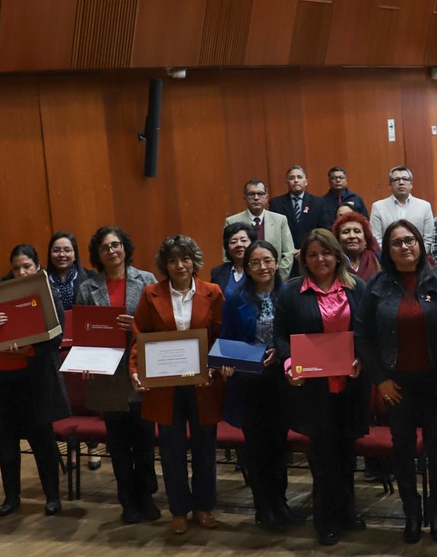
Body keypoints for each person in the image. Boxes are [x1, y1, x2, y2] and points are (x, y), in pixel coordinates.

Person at [357, 220, 437, 544]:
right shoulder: (376, 287)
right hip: (395, 385)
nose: (404, 247)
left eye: (409, 240)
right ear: (388, 249)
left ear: (420, 243)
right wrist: (380, 380)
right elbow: (363, 337)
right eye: (397, 242)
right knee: (402, 451)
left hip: (436, 382)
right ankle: (412, 514)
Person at [275, 231, 368, 544]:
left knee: (346, 451)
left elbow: (368, 333)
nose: (320, 260)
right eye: (313, 254)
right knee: (323, 455)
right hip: (313, 389)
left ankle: (348, 513)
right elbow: (280, 338)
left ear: (337, 254)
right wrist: (289, 365)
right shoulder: (290, 293)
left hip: (350, 384)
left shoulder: (358, 288)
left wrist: (361, 359)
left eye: (326, 253)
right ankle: (326, 519)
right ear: (304, 258)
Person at [132, 235, 226, 536]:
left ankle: (203, 506)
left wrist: (217, 364)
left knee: (204, 447)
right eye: (172, 260)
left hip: (203, 383)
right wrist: (136, 371)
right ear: (165, 265)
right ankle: (178, 509)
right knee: (171, 449)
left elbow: (220, 335)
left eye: (185, 259)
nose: (180, 265)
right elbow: (140, 335)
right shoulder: (150, 294)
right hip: (165, 385)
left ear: (194, 261)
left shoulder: (213, 292)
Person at [74, 226, 160, 522]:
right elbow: (83, 332)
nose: (112, 251)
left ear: (125, 247)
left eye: (116, 245)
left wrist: (133, 325)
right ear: (97, 255)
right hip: (105, 373)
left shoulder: (147, 280)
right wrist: (84, 360)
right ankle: (127, 501)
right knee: (119, 442)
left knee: (144, 439)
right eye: (105, 247)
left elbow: (158, 325)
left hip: (140, 369)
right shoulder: (87, 287)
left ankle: (147, 495)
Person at [219, 239, 292, 531]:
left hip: (283, 381)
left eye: (267, 260)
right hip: (249, 384)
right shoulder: (235, 299)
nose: (262, 267)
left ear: (276, 262)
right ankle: (264, 507)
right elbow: (228, 341)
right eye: (255, 262)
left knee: (279, 446)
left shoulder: (289, 294)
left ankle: (281, 502)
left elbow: (298, 334)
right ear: (247, 268)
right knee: (257, 449)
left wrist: (280, 350)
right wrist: (226, 361)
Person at [227, 179, 296, 269]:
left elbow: (288, 253)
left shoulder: (280, 220)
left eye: (260, 194)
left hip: (273, 277)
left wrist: (278, 278)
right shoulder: (232, 221)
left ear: (266, 198)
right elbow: (227, 256)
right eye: (251, 194)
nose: (256, 198)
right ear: (245, 198)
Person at [369, 166, 434, 244]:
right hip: (388, 254)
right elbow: (376, 239)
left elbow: (429, 239)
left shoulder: (424, 206)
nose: (401, 183)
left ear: (411, 184)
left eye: (405, 179)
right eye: (396, 180)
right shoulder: (378, 207)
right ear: (390, 185)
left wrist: (418, 254)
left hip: (418, 254)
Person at [43, 232, 93, 322]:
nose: (61, 255)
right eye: (56, 250)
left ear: (75, 255)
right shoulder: (42, 282)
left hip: (83, 329)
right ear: (50, 255)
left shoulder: (90, 277)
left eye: (67, 250)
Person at [278, 165, 331, 240]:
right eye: (292, 178)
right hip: (287, 250)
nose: (296, 180)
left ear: (306, 182)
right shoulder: (276, 204)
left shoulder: (319, 203)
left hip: (311, 248)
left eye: (299, 177)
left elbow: (325, 230)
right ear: (287, 182)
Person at [333, 208, 381, 282]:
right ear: (338, 239)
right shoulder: (333, 263)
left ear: (366, 239)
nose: (352, 236)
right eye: (346, 232)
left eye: (357, 231)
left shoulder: (377, 259)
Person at [211, 222, 254, 294]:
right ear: (227, 248)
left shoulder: (261, 269)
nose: (239, 245)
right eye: (233, 242)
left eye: (243, 240)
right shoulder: (218, 272)